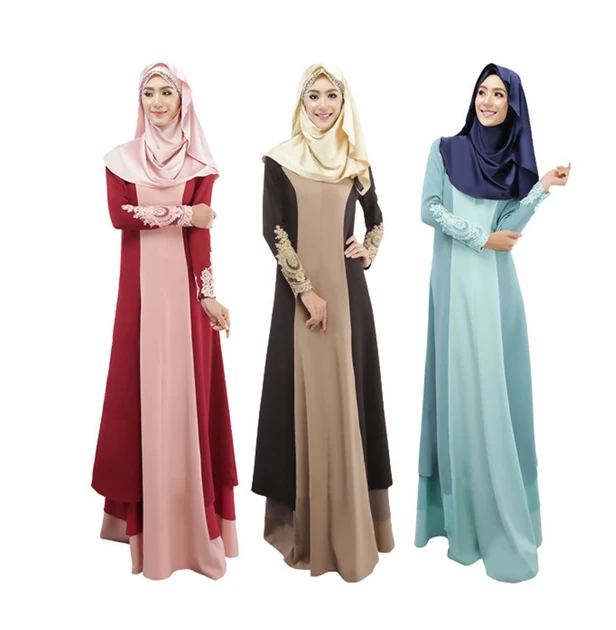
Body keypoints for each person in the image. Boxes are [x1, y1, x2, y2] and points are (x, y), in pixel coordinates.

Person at [415, 63, 571, 583]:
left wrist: (541, 188)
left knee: (499, 397)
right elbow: (428, 209)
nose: (487, 101)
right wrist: (479, 237)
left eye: (498, 94)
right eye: (482, 92)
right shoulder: (445, 150)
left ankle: (505, 514)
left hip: (497, 293)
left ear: (512, 105)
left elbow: (509, 229)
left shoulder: (511, 165)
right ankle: (462, 521)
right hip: (455, 292)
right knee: (461, 394)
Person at [92, 62, 238, 580]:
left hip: (185, 302)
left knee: (185, 403)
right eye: (148, 93)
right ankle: (147, 534)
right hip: (140, 302)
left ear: (183, 101)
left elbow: (201, 236)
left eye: (166, 93)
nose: (157, 102)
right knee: (143, 400)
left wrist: (210, 295)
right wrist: (184, 214)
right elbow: (120, 216)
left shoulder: (199, 164)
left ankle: (191, 531)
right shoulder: (121, 159)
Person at [252, 64, 394, 582]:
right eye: (313, 96)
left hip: (348, 297)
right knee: (304, 401)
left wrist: (368, 248)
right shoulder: (279, 159)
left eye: (332, 96)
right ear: (301, 102)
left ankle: (354, 525)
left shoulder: (356, 163)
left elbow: (377, 219)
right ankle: (306, 528)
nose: (323, 105)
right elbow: (273, 229)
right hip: (300, 300)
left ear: (343, 101)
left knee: (347, 401)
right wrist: (305, 290)